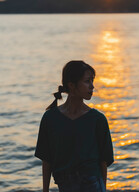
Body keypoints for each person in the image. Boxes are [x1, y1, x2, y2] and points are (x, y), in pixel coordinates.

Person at [34, 60, 114, 192]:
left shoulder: (97, 120)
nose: (92, 86)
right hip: (65, 186)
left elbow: (103, 161)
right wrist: (45, 190)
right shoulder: (50, 118)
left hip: (93, 186)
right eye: (87, 81)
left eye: (92, 81)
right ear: (71, 85)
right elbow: (46, 159)